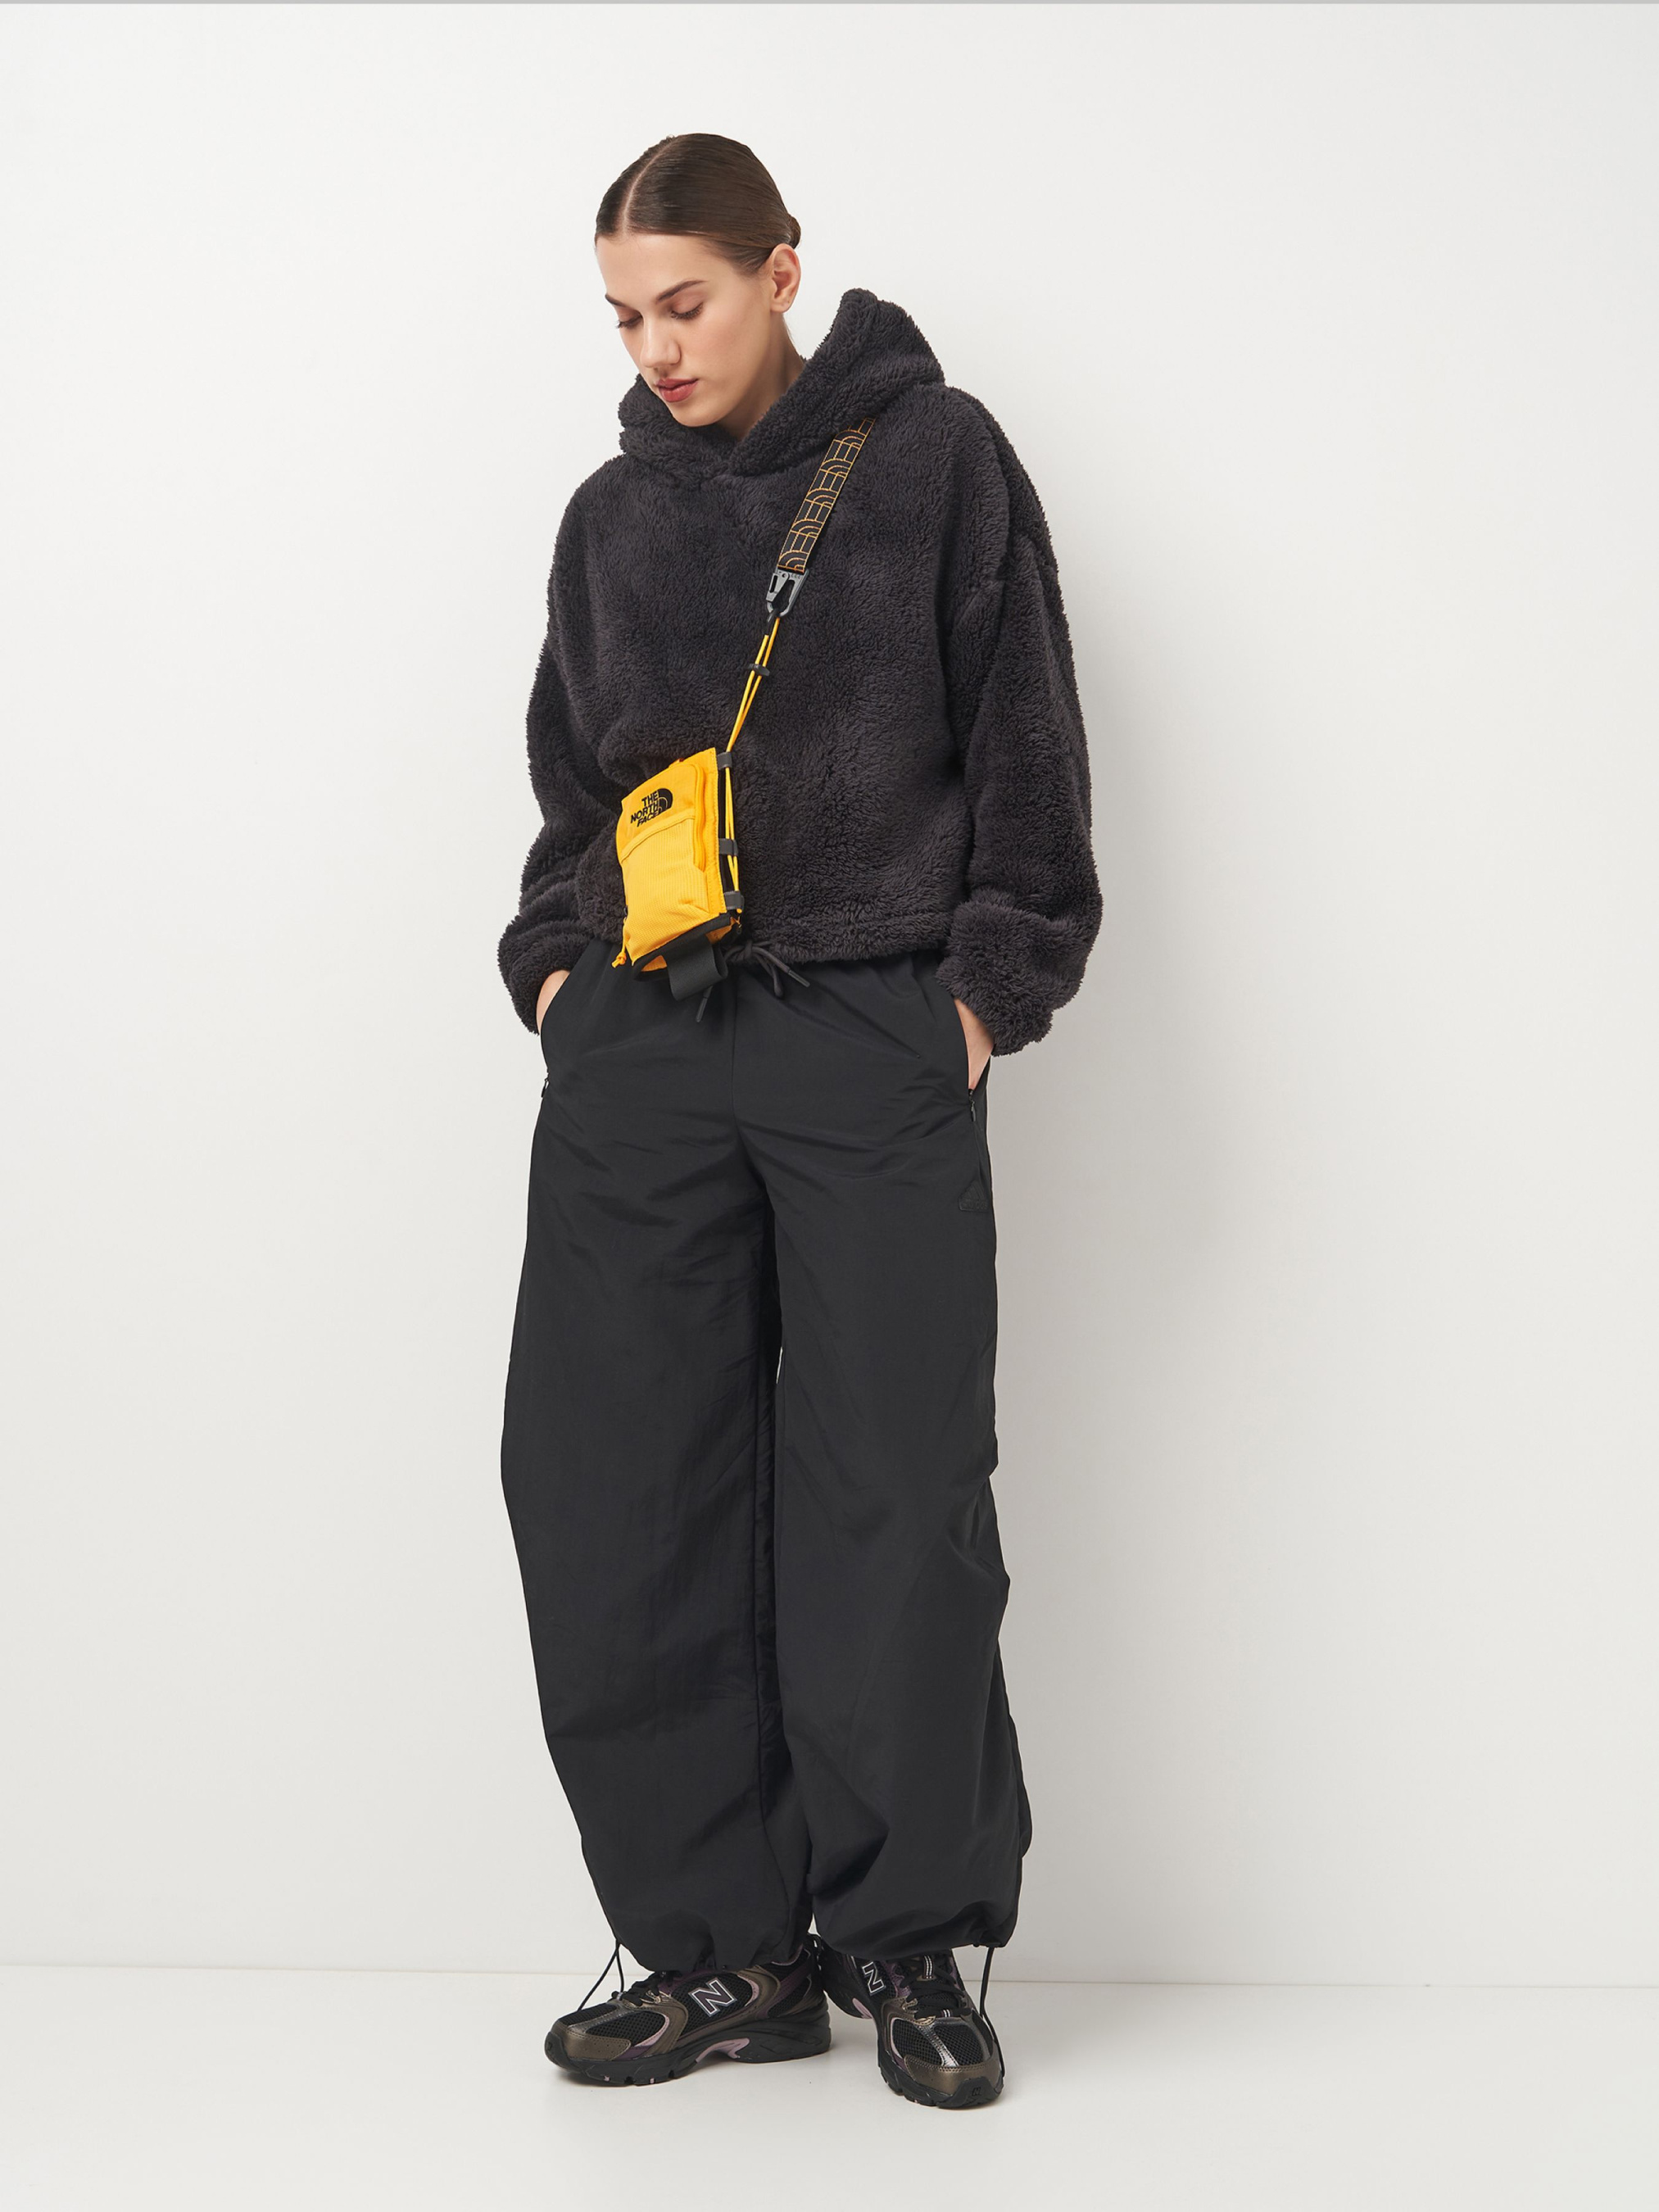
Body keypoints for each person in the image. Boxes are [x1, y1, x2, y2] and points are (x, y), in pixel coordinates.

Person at [497, 133, 1100, 2110]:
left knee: (891, 1488)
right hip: (645, 1037)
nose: (655, 349)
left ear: (778, 270)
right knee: (613, 1489)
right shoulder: (609, 517)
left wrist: (980, 996)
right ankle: (719, 1955)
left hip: (866, 1022)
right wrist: (558, 974)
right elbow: (573, 787)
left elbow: (1024, 742)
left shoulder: (933, 461)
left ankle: (907, 1938)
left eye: (684, 302)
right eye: (623, 318)